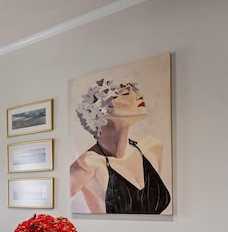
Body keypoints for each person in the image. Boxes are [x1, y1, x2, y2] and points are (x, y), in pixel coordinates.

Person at [70, 78, 170, 214]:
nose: (140, 96)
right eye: (125, 93)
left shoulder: (152, 147)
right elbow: (55, 201)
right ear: (100, 108)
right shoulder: (88, 164)